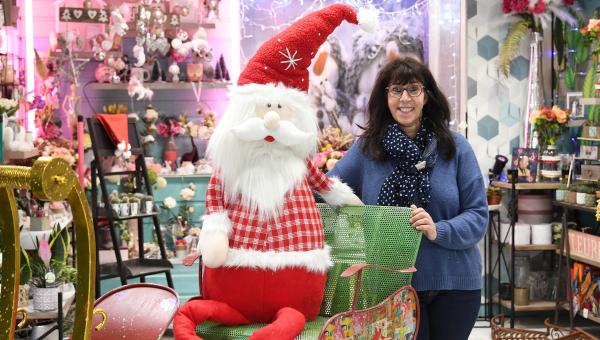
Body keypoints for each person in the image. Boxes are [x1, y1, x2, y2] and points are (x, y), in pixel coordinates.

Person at [328, 57, 488, 340]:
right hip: (391, 286)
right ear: (385, 97)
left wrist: (439, 229)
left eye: (413, 89)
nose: (405, 98)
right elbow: (326, 188)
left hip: (454, 284)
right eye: (396, 90)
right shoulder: (368, 149)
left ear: (426, 96)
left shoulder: (456, 147)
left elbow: (478, 215)